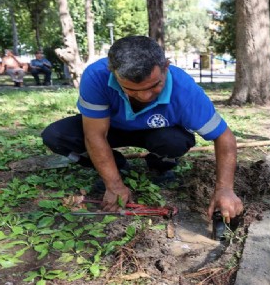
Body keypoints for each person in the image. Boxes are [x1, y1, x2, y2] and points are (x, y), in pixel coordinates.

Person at [41, 36, 244, 222]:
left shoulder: (185, 90)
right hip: (111, 128)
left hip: (158, 132)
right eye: (131, 89)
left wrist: (225, 189)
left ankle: (160, 164)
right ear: (113, 73)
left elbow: (224, 137)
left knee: (175, 141)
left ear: (166, 66)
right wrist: (114, 185)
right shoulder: (96, 76)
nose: (145, 96)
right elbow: (95, 135)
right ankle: (117, 166)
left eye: (154, 86)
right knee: (56, 136)